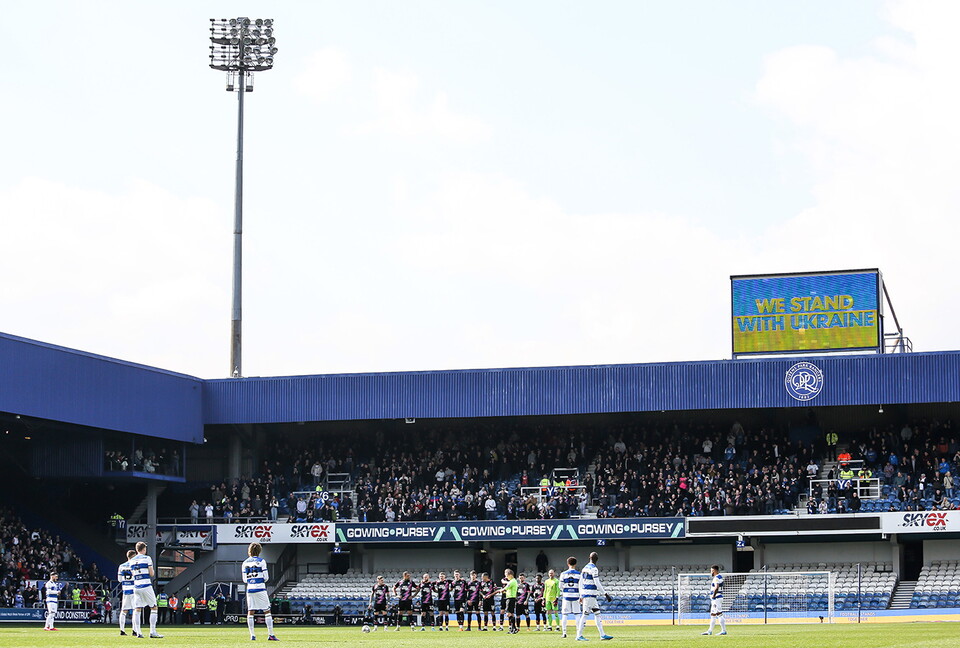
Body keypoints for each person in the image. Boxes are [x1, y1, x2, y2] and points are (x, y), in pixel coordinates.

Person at [242, 541, 278, 641]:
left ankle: (252, 635)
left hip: (250, 588)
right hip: (260, 588)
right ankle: (271, 634)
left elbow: (244, 579)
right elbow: (266, 577)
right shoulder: (262, 561)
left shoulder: (245, 563)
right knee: (267, 611)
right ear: (259, 551)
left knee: (251, 611)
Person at [578, 551, 613, 641]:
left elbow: (580, 582)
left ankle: (602, 634)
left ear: (589, 558)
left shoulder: (585, 568)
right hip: (590, 595)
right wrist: (605, 594)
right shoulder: (594, 569)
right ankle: (579, 635)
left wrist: (581, 595)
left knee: (597, 614)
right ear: (597, 559)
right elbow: (597, 583)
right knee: (585, 614)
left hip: (589, 595)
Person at [130, 541, 163, 638]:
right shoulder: (147, 558)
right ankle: (152, 631)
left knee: (137, 609)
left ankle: (139, 632)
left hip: (136, 586)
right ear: (144, 549)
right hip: (146, 585)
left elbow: (133, 574)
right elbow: (152, 573)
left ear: (136, 549)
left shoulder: (131, 560)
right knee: (154, 607)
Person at [702, 565, 727, 636]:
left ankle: (723, 630)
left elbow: (716, 587)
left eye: (711, 571)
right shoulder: (720, 577)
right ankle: (709, 631)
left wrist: (713, 595)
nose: (711, 572)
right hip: (717, 598)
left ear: (714, 570)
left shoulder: (716, 578)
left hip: (716, 598)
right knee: (713, 614)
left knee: (719, 613)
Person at [559, 557, 581, 639]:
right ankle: (578, 633)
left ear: (568, 564)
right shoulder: (579, 574)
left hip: (566, 596)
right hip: (576, 595)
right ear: (575, 564)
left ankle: (564, 632)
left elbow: (560, 586)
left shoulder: (563, 574)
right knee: (577, 614)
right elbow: (581, 586)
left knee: (565, 614)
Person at [493, 569, 519, 634]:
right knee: (511, 614)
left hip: (510, 598)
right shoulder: (513, 581)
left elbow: (505, 589)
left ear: (509, 574)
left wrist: (498, 591)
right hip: (511, 598)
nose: (505, 576)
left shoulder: (512, 581)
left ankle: (513, 629)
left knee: (508, 614)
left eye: (506, 574)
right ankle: (514, 628)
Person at [117, 549, 136, 635]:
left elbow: (119, 580)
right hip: (134, 590)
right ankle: (135, 630)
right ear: (133, 556)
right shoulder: (135, 566)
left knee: (124, 611)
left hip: (125, 590)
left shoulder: (121, 566)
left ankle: (122, 630)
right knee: (135, 610)